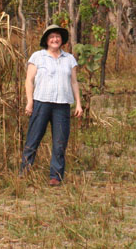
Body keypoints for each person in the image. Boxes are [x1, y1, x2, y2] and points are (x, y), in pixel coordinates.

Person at [19, 24, 83, 186]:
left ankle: (55, 176)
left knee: (60, 142)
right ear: (46, 40)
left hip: (62, 105)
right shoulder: (37, 57)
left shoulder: (69, 59)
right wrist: (29, 101)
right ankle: (24, 171)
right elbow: (29, 80)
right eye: (51, 37)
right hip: (41, 102)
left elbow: (74, 82)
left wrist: (78, 104)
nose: (55, 40)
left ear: (62, 40)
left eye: (58, 37)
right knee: (33, 138)